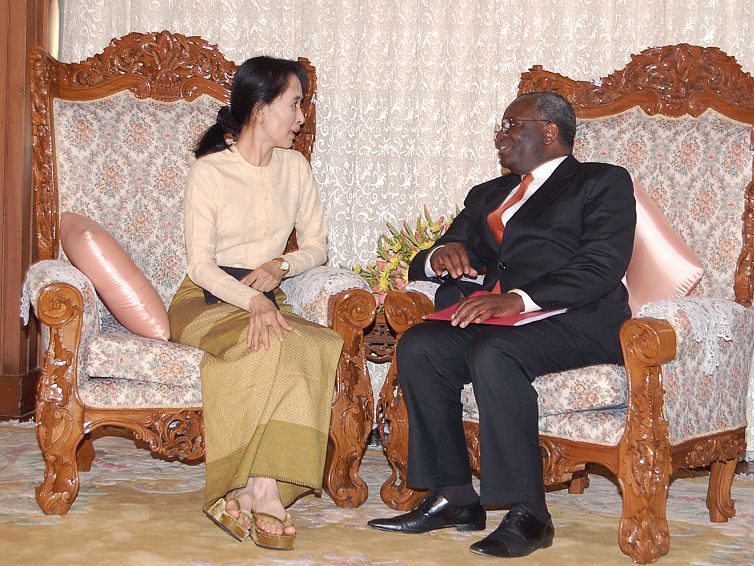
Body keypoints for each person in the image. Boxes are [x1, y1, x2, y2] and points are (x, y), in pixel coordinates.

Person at [368, 92, 636, 558]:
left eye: (512, 124)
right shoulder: (488, 195)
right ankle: (454, 495)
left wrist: (518, 300)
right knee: (422, 345)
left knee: (493, 349)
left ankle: (529, 513)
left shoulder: (600, 182)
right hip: (502, 320)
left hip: (578, 320)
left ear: (550, 131)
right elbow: (425, 259)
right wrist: (439, 257)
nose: (501, 135)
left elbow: (602, 265)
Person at [167, 56, 343, 551]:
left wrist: (280, 268)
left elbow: (317, 245)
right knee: (267, 341)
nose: (302, 116)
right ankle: (260, 489)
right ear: (261, 108)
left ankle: (259, 486)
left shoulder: (296, 167)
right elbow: (200, 265)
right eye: (295, 104)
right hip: (203, 300)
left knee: (311, 343)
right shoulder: (210, 172)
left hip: (267, 294)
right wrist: (253, 300)